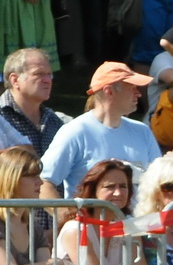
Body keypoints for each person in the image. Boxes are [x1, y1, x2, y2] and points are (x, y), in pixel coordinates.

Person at [40, 63, 158, 195]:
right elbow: (43, 183)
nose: (138, 94)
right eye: (131, 87)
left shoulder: (143, 131)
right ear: (109, 91)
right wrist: (65, 215)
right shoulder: (75, 131)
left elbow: (160, 180)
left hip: (142, 216)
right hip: (89, 216)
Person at [1, 48, 66, 158]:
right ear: (15, 80)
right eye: (39, 74)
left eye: (49, 74)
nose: (47, 80)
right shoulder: (2, 117)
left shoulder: (55, 121)